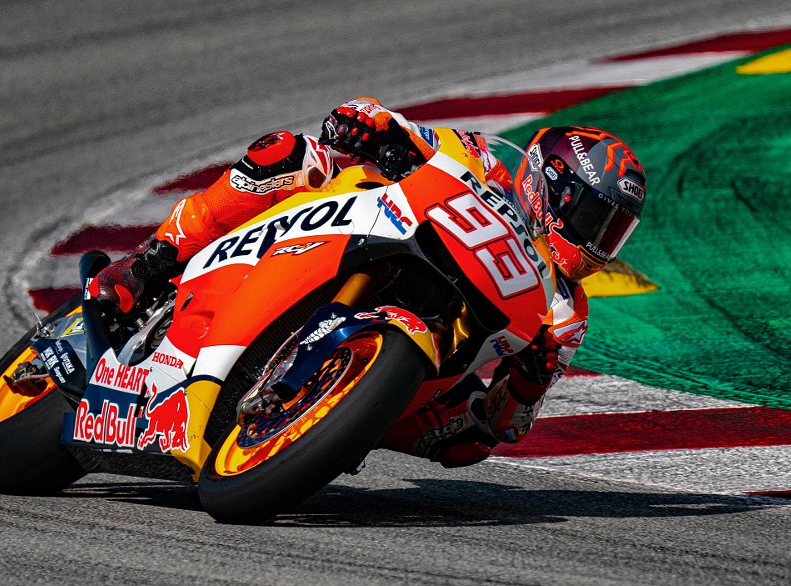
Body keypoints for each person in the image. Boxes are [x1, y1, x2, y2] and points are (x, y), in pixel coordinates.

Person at [89, 97, 647, 467]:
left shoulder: (566, 311)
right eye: (596, 221)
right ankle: (146, 266)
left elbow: (508, 424)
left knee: (468, 442)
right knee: (290, 153)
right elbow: (398, 129)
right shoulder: (482, 158)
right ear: (554, 189)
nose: (599, 244)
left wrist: (526, 386)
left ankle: (327, 422)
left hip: (426, 348)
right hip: (365, 233)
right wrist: (369, 124)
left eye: (614, 232)